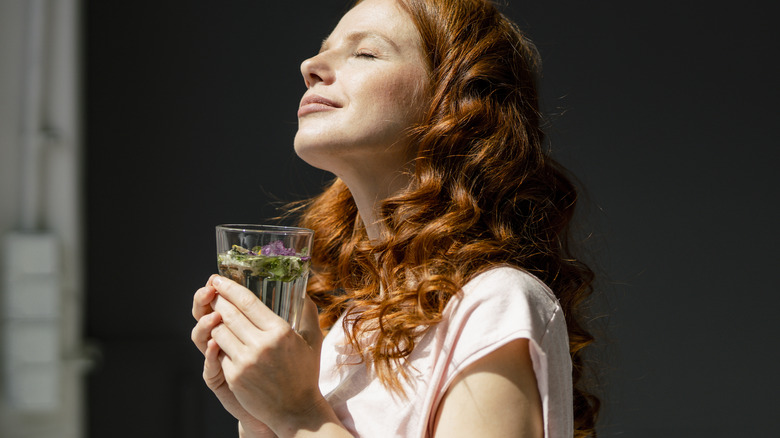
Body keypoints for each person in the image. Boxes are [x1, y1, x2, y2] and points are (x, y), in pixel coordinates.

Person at [191, 0, 600, 436]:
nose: (310, 65)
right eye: (322, 50)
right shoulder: (341, 337)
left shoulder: (495, 304)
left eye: (365, 52)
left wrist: (298, 415)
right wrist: (260, 415)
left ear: (456, 101)